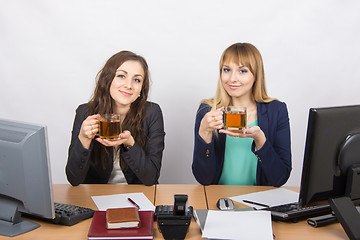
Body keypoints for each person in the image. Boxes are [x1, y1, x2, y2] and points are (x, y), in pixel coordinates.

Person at [192, 42, 291, 187]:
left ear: (256, 75)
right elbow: (203, 179)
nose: (232, 78)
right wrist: (204, 132)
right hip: (219, 202)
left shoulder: (276, 111)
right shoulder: (208, 111)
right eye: (226, 70)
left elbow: (280, 178)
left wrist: (260, 139)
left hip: (259, 202)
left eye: (242, 71)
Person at [66, 50, 165, 186]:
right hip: (97, 196)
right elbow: (73, 179)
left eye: (136, 80)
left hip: (138, 196)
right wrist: (83, 138)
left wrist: (130, 144)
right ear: (108, 79)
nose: (128, 85)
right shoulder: (85, 112)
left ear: (142, 89)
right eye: (121, 76)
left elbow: (151, 178)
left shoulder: (152, 112)